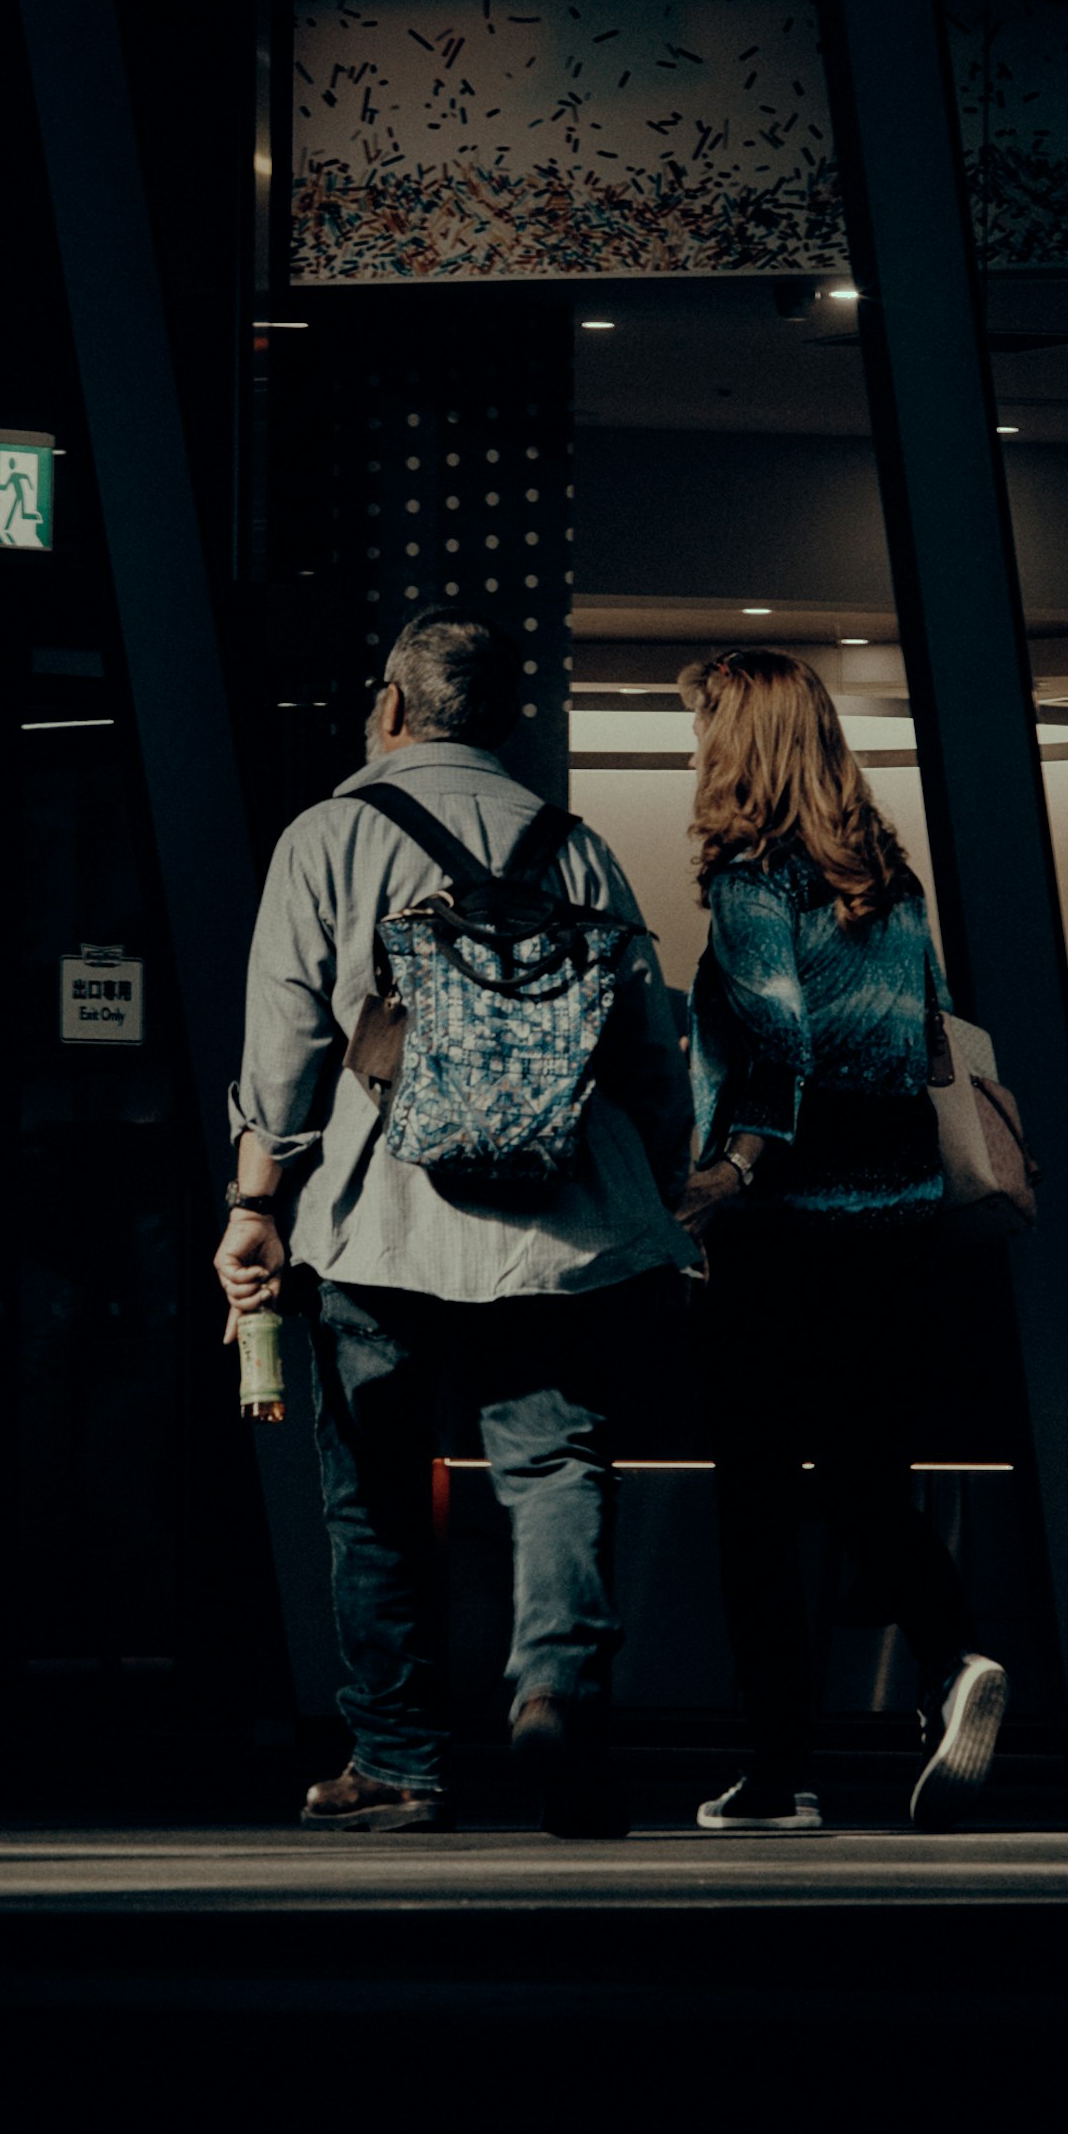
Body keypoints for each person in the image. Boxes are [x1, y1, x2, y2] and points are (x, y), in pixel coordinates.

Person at [220, 610, 691, 1836]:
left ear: (389, 707)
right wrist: (669, 1179)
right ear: (508, 723)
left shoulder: (326, 836)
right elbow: (645, 1039)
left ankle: (399, 1757)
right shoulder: (572, 845)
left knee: (371, 1488)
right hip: (560, 1224)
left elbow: (285, 1051)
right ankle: (555, 1685)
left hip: (380, 1220)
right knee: (552, 1464)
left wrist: (254, 1207)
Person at [680, 647, 1011, 1836]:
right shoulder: (891, 878)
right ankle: (954, 1657)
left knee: (758, 1508)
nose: (696, 750)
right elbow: (922, 1042)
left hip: (783, 1239)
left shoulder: (749, 880)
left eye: (705, 727)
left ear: (741, 744)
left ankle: (779, 1772)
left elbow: (779, 1044)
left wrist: (731, 1169)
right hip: (902, 1230)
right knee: (869, 1485)